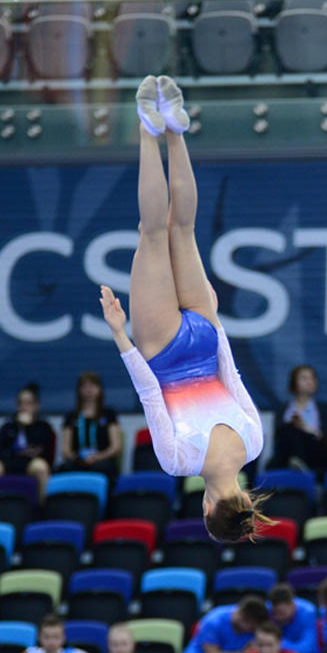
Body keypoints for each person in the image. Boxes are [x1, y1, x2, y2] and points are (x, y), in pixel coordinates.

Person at [104, 75, 265, 542]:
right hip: (165, 353)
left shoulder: (254, 442)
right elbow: (151, 394)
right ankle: (146, 128)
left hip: (206, 335)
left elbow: (230, 373)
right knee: (152, 231)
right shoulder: (179, 462)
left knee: (184, 229)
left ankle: (174, 128)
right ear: (209, 505)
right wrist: (120, 335)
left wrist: (213, 320)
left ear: (245, 501)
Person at [0, 383, 56, 500]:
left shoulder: (43, 426)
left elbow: (44, 451)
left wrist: (28, 427)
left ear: (37, 405)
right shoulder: (8, 425)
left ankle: (43, 508)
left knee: (42, 469)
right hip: (7, 462)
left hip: (30, 464)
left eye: (28, 403)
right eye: (21, 403)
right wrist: (19, 429)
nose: (24, 407)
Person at [59, 372, 124, 483]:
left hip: (102, 459)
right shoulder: (71, 416)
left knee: (105, 468)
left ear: (100, 389)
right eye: (84, 386)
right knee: (63, 469)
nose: (88, 390)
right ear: (79, 390)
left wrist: (97, 457)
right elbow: (65, 450)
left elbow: (116, 447)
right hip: (78, 460)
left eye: (92, 386)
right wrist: (78, 459)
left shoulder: (109, 414)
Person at [270, 364, 327, 475]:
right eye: (304, 378)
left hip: (315, 451)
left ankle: (299, 462)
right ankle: (296, 461)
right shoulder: (283, 410)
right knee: (289, 430)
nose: (309, 382)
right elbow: (278, 438)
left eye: (312, 378)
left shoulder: (324, 409)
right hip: (287, 453)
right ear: (294, 383)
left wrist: (305, 428)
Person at [180, 596, 268, 653]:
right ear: (244, 619)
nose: (253, 631)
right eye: (252, 628)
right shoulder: (213, 621)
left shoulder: (254, 623)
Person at [270, 582, 319, 653]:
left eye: (282, 613)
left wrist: (278, 644)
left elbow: (308, 649)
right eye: (275, 613)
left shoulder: (308, 612)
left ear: (293, 605)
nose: (279, 617)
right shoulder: (268, 610)